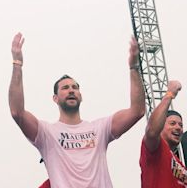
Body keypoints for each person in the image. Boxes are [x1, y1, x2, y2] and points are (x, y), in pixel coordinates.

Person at [8, 32, 145, 187]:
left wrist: (134, 67)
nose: (71, 90)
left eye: (75, 87)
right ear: (55, 98)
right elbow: (17, 112)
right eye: (65, 88)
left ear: (81, 96)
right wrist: (17, 64)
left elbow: (137, 111)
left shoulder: (100, 128)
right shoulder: (47, 133)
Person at [140, 80, 187, 186]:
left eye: (181, 125)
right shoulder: (155, 149)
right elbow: (152, 132)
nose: (178, 127)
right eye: (172, 123)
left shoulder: (180, 165)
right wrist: (169, 94)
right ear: (161, 126)